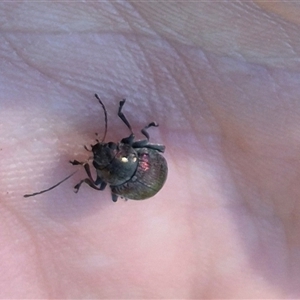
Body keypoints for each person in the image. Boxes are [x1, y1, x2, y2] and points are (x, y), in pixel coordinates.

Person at [1, 2, 299, 298]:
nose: (105, 148)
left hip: (138, 178)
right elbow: (140, 151)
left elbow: (111, 173)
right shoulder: (125, 161)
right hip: (138, 177)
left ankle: (90, 171)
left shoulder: (117, 173)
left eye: (106, 151)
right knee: (135, 154)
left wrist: (84, 176)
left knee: (116, 178)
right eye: (110, 150)